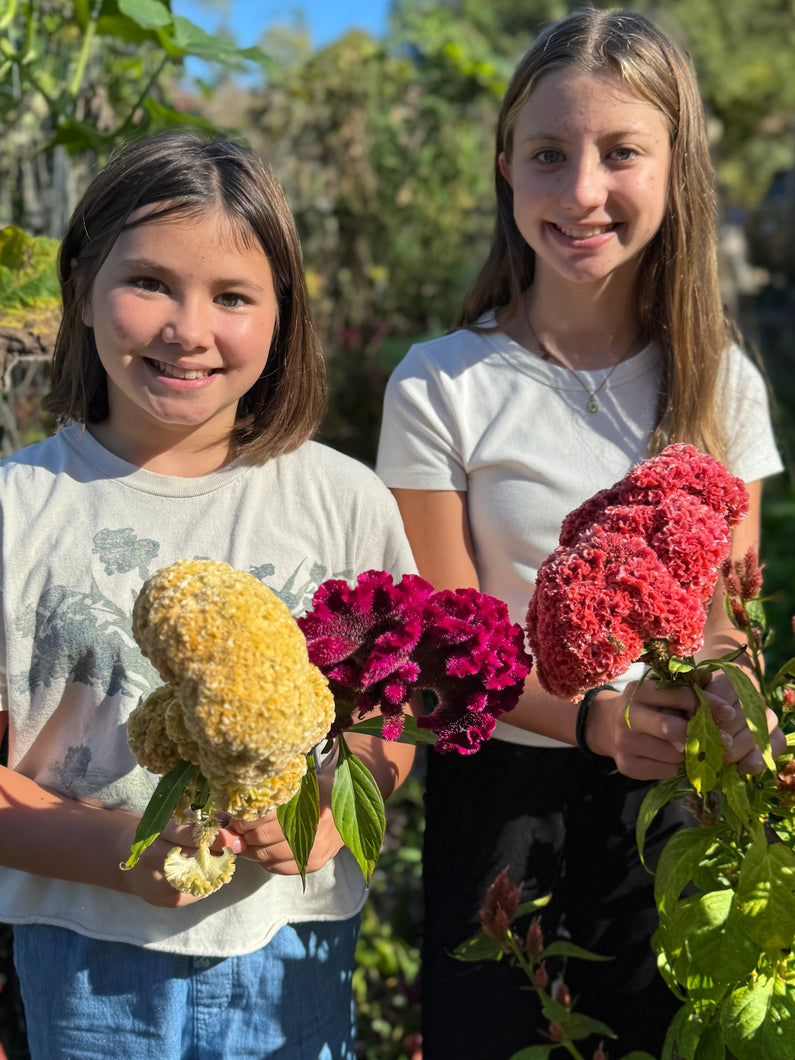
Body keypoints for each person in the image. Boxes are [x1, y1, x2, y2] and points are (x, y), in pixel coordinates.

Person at [376, 9, 784, 1057]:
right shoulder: (442, 385)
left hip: (680, 819)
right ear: (505, 167)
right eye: (550, 154)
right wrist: (596, 717)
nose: (582, 190)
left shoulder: (721, 383)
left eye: (621, 153)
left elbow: (732, 620)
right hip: (506, 814)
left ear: (675, 167)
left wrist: (736, 705)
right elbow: (450, 653)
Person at [0, 130, 417, 1060]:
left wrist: (321, 822)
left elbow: (389, 719)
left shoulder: (341, 502)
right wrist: (114, 853)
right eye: (149, 282)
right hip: (83, 957)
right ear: (81, 286)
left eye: (232, 297)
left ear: (282, 317)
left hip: (293, 948)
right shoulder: (18, 506)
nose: (188, 330)